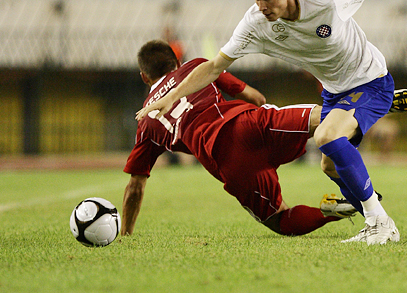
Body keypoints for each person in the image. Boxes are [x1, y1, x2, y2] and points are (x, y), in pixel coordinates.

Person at [136, 0, 407, 245]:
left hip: (370, 78)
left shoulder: (327, 1)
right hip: (335, 91)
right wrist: (172, 96)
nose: (262, 6)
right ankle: (371, 208)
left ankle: (380, 222)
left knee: (326, 136)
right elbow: (214, 66)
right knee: (329, 163)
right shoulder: (256, 23)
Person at [122, 40, 359, 237]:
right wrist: (268, 124)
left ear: (144, 77)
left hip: (227, 162)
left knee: (279, 219)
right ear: (177, 62)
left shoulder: (146, 122)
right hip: (246, 123)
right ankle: (379, 102)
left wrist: (125, 234)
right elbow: (255, 97)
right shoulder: (196, 66)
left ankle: (329, 212)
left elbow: (135, 186)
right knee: (324, 116)